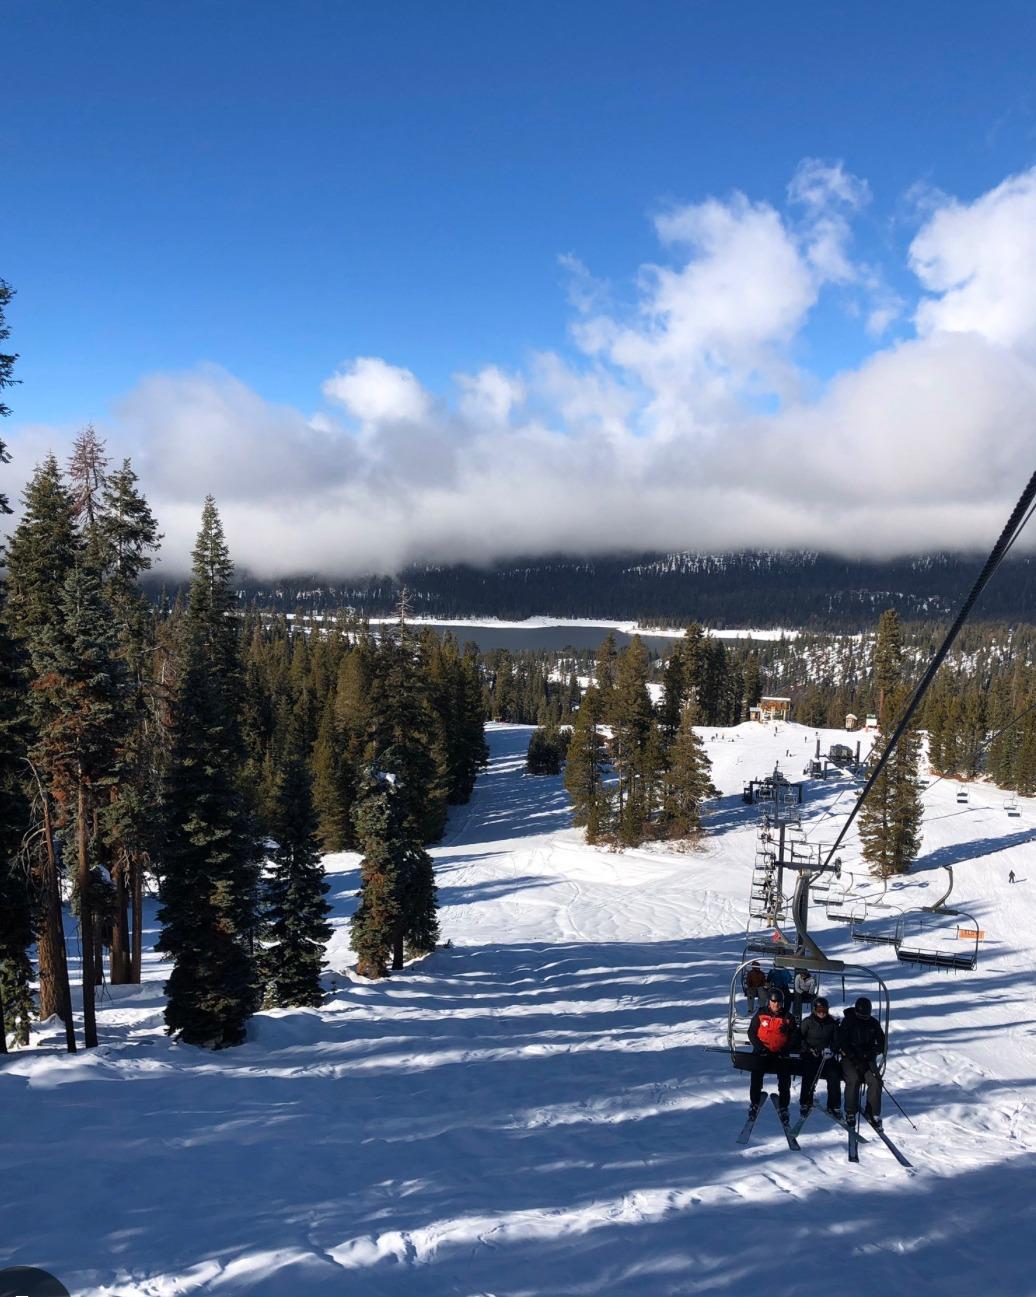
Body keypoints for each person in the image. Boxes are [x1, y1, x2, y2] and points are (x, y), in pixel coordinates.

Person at [747, 988, 798, 1119]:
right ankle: (754, 1102)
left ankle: (784, 1106)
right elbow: (751, 1033)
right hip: (763, 1052)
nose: (776, 1004)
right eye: (774, 1001)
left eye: (779, 1002)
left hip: (780, 1053)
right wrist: (759, 1047)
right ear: (769, 1001)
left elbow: (795, 1037)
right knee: (756, 1072)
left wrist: (785, 1049)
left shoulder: (788, 1017)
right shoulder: (761, 1014)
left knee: (785, 1077)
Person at [838, 995, 886, 1130]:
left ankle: (873, 1113)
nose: (863, 1019)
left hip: (867, 1060)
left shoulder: (873, 1023)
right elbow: (842, 1042)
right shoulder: (848, 1021)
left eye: (865, 1016)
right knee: (853, 1078)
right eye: (860, 1015)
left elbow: (882, 1043)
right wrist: (854, 1056)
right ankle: (850, 1111)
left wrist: (871, 1052)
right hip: (850, 1058)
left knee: (876, 1081)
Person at [797, 996, 841, 1118]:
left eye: (824, 1010)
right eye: (819, 1010)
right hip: (810, 1055)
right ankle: (806, 1101)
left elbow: (837, 1041)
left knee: (834, 1074)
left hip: (826, 1056)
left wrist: (832, 1050)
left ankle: (834, 1104)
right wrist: (808, 1049)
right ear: (814, 1009)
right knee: (809, 1073)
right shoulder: (808, 1022)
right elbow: (799, 1038)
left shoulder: (832, 1024)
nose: (821, 1013)